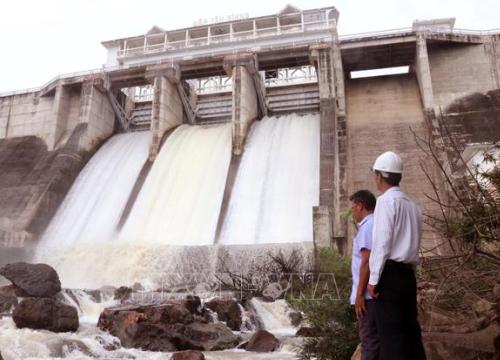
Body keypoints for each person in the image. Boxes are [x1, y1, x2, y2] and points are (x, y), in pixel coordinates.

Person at [367, 151, 426, 360]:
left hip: (389, 276)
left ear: (380, 176)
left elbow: (382, 243)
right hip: (408, 276)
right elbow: (415, 242)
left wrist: (373, 280)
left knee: (391, 337)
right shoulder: (413, 205)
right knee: (410, 333)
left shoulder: (385, 202)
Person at [349, 190, 379, 360]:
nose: (353, 211)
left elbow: (366, 261)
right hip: (371, 293)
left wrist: (360, 295)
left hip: (367, 297)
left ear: (360, 206)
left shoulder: (368, 226)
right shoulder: (375, 223)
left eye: (353, 207)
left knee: (368, 341)